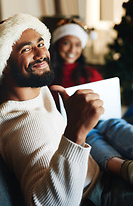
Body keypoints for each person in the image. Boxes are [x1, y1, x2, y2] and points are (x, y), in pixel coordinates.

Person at [0, 13, 133, 206]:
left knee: (113, 125)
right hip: (95, 196)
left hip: (97, 172)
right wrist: (76, 131)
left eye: (41, 43)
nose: (41, 54)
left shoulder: (17, 87)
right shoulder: (24, 126)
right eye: (26, 49)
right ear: (3, 64)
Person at [50, 17, 133, 185]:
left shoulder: (91, 74)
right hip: (76, 125)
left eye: (78, 44)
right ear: (58, 44)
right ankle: (125, 168)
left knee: (115, 124)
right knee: (91, 137)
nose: (72, 49)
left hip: (103, 118)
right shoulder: (49, 77)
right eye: (66, 43)